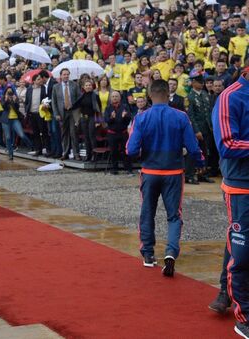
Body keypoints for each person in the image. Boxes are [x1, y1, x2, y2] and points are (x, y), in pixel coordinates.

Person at [126, 79, 205, 276]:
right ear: (167, 94)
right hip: (174, 172)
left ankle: (148, 254)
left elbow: (131, 149)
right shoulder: (181, 116)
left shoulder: (141, 118)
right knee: (174, 215)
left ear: (150, 95)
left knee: (147, 212)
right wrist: (201, 162)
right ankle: (170, 252)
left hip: (150, 171)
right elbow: (193, 147)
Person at [207, 70, 249, 337]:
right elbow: (226, 144)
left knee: (238, 241)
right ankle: (243, 314)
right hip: (240, 186)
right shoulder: (230, 96)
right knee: (242, 250)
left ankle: (225, 290)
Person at [52, 68, 82, 161]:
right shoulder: (56, 87)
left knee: (73, 133)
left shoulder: (75, 85)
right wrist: (56, 114)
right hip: (62, 113)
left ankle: (76, 153)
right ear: (60, 76)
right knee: (64, 134)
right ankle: (65, 153)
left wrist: (76, 110)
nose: (66, 76)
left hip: (72, 112)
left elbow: (79, 99)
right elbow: (54, 102)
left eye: (67, 74)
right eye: (64, 74)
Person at [104, 91, 132, 174]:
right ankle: (114, 169)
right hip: (112, 133)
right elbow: (106, 120)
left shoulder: (125, 106)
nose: (115, 98)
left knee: (125, 151)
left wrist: (125, 117)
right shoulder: (108, 108)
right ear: (110, 98)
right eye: (113, 96)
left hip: (123, 132)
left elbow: (129, 119)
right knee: (113, 152)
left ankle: (128, 169)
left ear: (120, 98)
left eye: (116, 96)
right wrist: (112, 118)